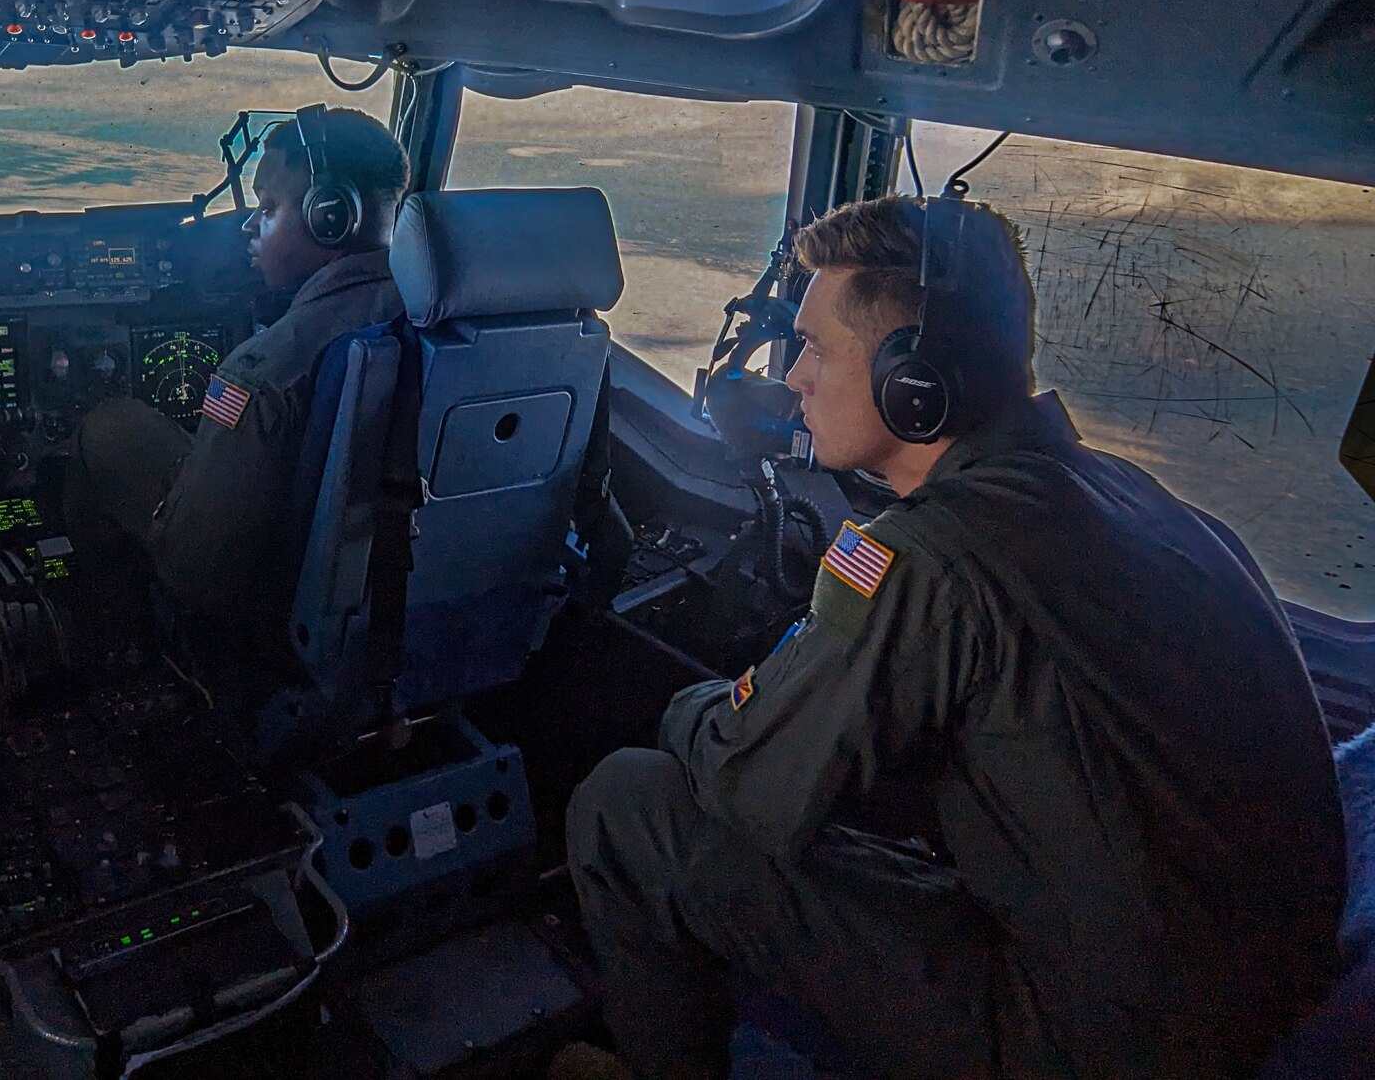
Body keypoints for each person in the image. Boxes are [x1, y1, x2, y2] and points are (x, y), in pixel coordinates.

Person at [560, 194, 1345, 1080]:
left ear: (916, 381)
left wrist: (693, 709)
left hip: (1093, 1041)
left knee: (630, 805)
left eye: (817, 349)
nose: (792, 379)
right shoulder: (1136, 495)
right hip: (1263, 992)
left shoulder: (929, 554)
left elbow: (752, 783)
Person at [69, 106, 410, 655]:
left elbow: (202, 565)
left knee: (108, 426)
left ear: (331, 217)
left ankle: (116, 648)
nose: (251, 223)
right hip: (403, 597)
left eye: (269, 206)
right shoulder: (444, 312)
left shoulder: (268, 370)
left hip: (273, 615)